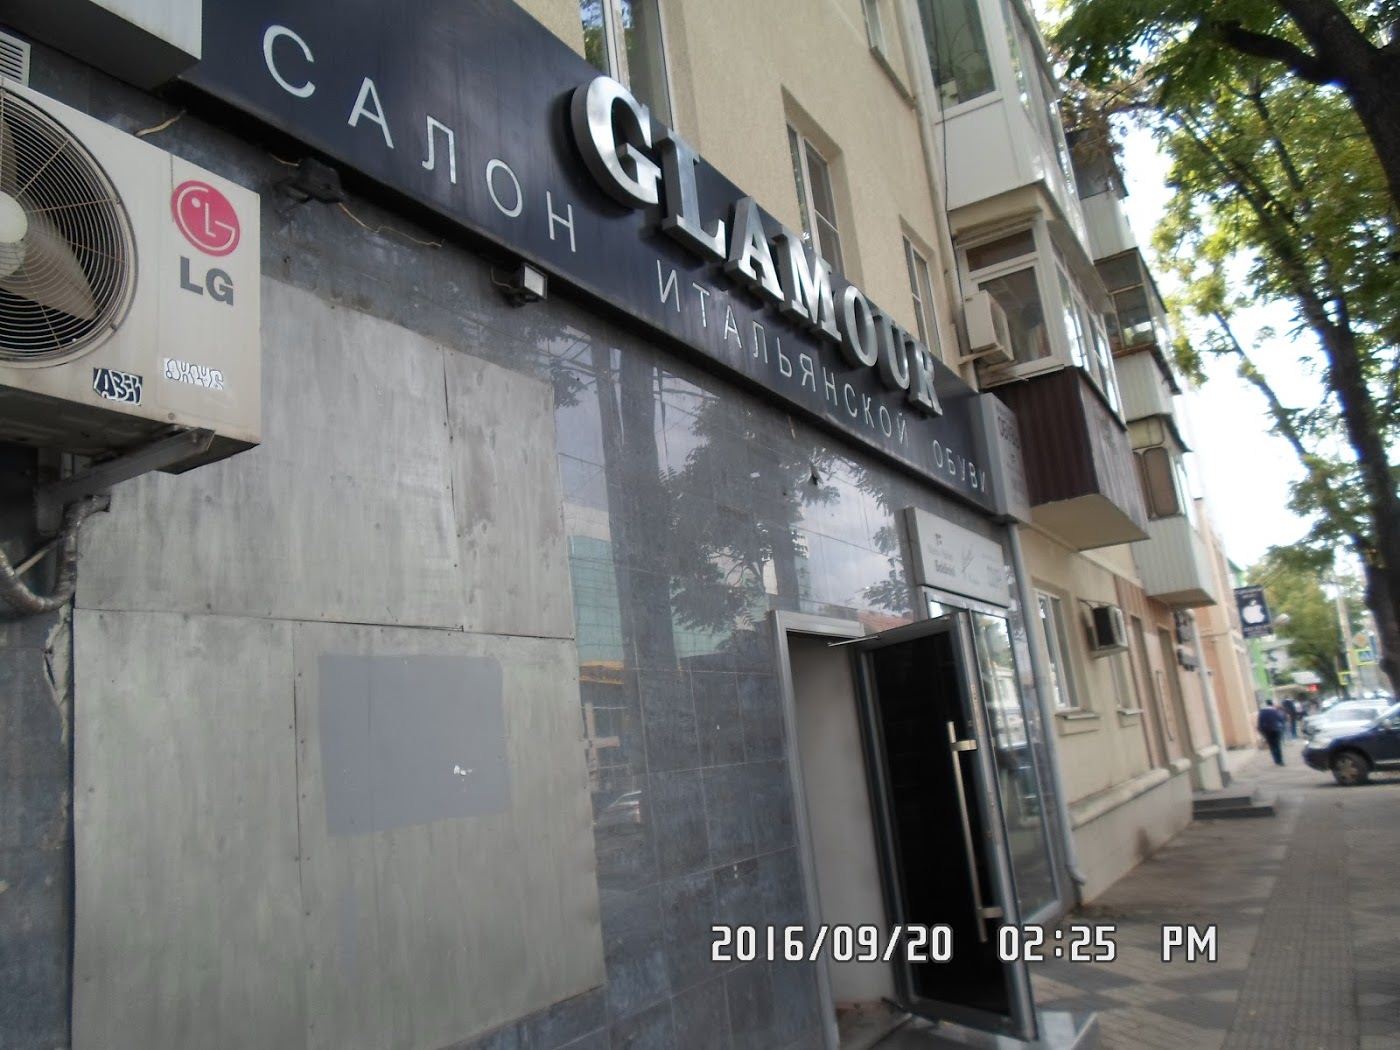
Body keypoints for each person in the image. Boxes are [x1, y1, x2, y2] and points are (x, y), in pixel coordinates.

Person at [1257, 701, 1287, 765]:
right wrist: (1282, 726)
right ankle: (1280, 760)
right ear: (1272, 704)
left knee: (1271, 745)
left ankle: (1275, 760)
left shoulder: (1262, 712)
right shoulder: (1275, 711)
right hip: (1275, 729)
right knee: (1277, 745)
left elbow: (1260, 722)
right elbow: (1281, 719)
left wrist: (1261, 731)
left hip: (1267, 730)